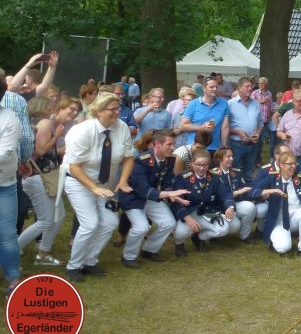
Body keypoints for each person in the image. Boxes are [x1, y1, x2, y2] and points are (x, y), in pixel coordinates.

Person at [63, 91, 135, 282]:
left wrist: (122, 181)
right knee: (90, 223)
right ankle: (73, 266)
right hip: (79, 182)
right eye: (112, 109)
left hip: (105, 184)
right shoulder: (83, 131)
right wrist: (93, 188)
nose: (117, 112)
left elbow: (129, 157)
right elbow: (74, 167)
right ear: (99, 111)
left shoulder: (121, 128)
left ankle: (90, 261)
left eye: (118, 108)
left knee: (110, 222)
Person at [18, 97, 77, 268]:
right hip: (39, 177)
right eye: (51, 104)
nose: (53, 106)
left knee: (58, 216)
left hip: (42, 176)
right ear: (44, 106)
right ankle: (11, 252)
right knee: (45, 220)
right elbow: (40, 150)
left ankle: (43, 252)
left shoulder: (34, 123)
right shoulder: (44, 123)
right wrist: (57, 136)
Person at [118, 129, 189, 267]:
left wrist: (173, 194)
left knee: (169, 223)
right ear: (157, 144)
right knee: (141, 227)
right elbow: (144, 190)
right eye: (169, 144)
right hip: (132, 198)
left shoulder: (170, 159)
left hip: (151, 197)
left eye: (173, 144)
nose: (173, 148)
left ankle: (149, 250)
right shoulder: (140, 161)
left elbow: (167, 183)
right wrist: (168, 194)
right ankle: (128, 257)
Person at [251, 149, 301, 260]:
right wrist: (267, 191)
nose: (293, 166)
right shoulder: (272, 178)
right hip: (279, 221)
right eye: (290, 164)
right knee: (283, 248)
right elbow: (252, 191)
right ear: (281, 165)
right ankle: (275, 240)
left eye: (295, 163)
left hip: (295, 217)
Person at [171, 149, 234, 256]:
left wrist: (230, 206)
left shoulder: (215, 177)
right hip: (188, 212)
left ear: (209, 165)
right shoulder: (182, 178)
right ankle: (179, 245)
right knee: (180, 233)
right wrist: (187, 218)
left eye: (205, 165)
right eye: (198, 164)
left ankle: (199, 238)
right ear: (192, 163)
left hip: (205, 212)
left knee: (223, 229)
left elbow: (225, 193)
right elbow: (176, 202)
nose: (201, 168)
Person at [0, 77, 22, 298]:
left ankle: (14, 281)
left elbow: (5, 153)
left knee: (6, 234)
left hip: (3, 185)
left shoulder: (9, 118)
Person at [212, 146, 258, 243]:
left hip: (234, 204)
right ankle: (214, 233)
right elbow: (220, 195)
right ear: (220, 158)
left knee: (250, 207)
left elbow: (245, 189)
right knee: (234, 226)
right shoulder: (213, 174)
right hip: (219, 206)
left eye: (232, 156)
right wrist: (237, 193)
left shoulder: (236, 172)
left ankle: (245, 235)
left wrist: (259, 194)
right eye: (228, 156)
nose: (231, 159)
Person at [227, 77, 263, 184]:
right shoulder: (230, 104)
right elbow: (224, 127)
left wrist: (258, 133)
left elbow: (260, 124)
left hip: (253, 145)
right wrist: (238, 132)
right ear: (239, 88)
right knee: (236, 171)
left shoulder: (256, 104)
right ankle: (236, 190)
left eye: (251, 86)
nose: (250, 88)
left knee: (249, 172)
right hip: (236, 145)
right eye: (247, 86)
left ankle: (248, 190)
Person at [181, 76, 229, 152]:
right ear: (204, 88)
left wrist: (224, 146)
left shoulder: (224, 103)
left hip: (215, 147)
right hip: (196, 147)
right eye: (211, 87)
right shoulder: (193, 104)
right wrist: (202, 128)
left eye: (216, 87)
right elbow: (183, 126)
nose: (215, 89)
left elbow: (225, 127)